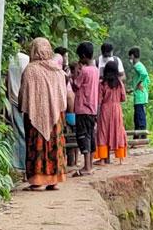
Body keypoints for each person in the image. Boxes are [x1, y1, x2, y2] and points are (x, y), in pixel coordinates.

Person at [19, 38, 70, 191]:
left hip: (35, 115)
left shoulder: (30, 70)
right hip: (56, 116)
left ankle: (37, 180)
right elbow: (63, 95)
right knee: (55, 145)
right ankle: (54, 180)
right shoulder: (57, 70)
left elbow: (24, 94)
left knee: (37, 145)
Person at [71, 41, 99, 176]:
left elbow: (76, 86)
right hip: (92, 108)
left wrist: (74, 74)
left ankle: (86, 167)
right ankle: (90, 165)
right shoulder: (95, 70)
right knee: (90, 135)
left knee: (83, 136)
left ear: (82, 55)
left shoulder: (85, 71)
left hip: (82, 108)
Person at [95, 60, 128, 164]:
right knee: (118, 131)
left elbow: (99, 100)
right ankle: (121, 158)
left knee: (103, 132)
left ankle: (102, 158)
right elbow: (123, 98)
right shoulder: (119, 83)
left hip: (105, 109)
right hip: (117, 109)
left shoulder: (102, 83)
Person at [3, 47, 29, 172]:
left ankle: (19, 164)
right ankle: (27, 164)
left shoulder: (9, 59)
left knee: (18, 132)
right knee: (27, 132)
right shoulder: (27, 59)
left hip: (14, 99)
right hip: (27, 100)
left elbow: (7, 80)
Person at [126, 47, 151, 133]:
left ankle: (142, 135)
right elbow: (147, 79)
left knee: (139, 116)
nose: (129, 59)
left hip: (140, 95)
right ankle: (137, 136)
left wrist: (140, 83)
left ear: (132, 56)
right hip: (139, 94)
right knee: (137, 116)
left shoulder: (137, 66)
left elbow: (144, 74)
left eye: (130, 57)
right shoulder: (140, 65)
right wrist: (133, 89)